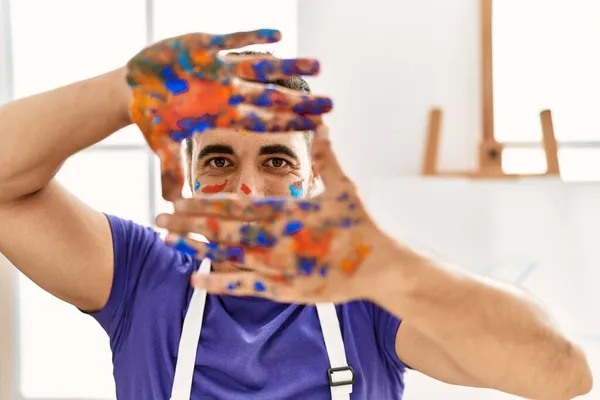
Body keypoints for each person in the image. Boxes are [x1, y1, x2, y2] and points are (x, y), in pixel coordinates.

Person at [0, 30, 592, 400]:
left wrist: (388, 267)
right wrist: (126, 89)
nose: (248, 188)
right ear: (184, 176)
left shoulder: (374, 296)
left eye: (278, 159)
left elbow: (560, 377)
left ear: (312, 179)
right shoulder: (138, 277)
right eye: (220, 159)